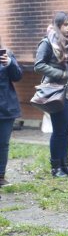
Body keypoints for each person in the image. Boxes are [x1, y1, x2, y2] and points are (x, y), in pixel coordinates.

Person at [34, 11, 68, 177]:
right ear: (57, 25)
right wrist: (60, 74)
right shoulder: (47, 43)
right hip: (55, 91)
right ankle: (56, 167)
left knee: (65, 130)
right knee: (59, 130)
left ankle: (65, 165)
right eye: (65, 25)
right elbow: (39, 65)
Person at [0, 36, 23, 186]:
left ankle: (1, 176)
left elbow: (18, 76)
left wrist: (10, 63)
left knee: (3, 144)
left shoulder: (7, 54)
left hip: (6, 107)